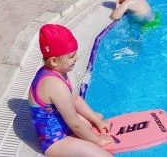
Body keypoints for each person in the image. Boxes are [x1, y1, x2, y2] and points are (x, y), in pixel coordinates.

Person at [29, 24, 113, 156]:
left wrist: (97, 122)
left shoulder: (57, 71)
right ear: (54, 61)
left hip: (61, 123)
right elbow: (75, 125)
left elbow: (75, 99)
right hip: (54, 140)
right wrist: (97, 141)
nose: (76, 59)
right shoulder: (54, 84)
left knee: (98, 117)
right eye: (71, 56)